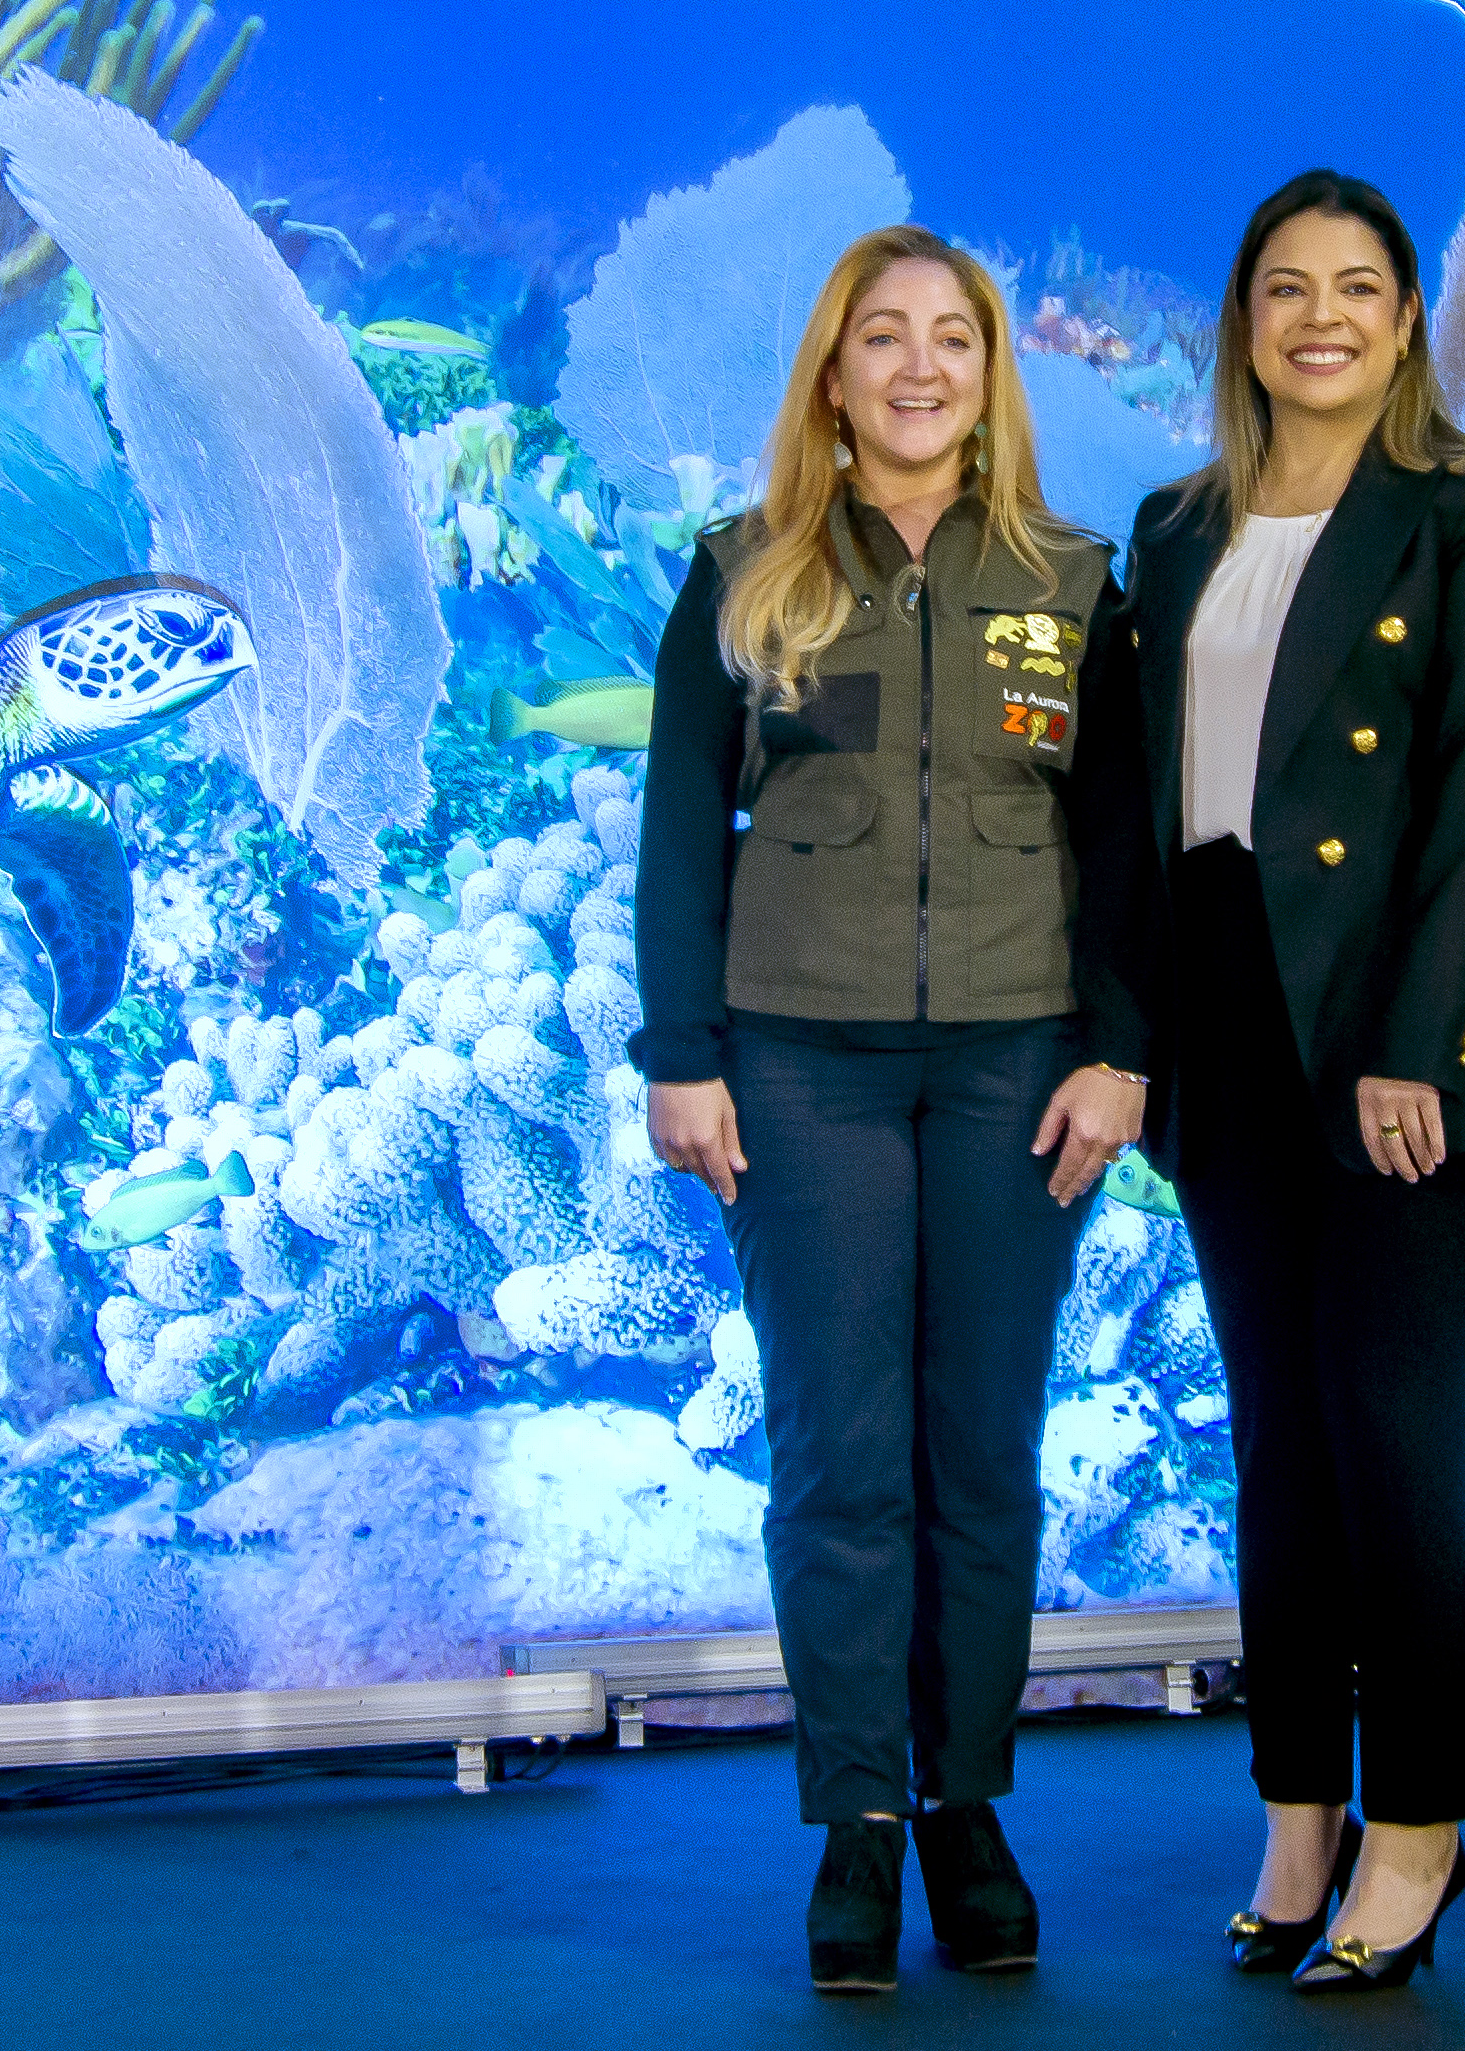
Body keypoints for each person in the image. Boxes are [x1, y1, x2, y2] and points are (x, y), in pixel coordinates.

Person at [633, 223, 1156, 1994]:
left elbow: (1124, 844)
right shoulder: (740, 574)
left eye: (953, 337)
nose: (919, 366)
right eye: (882, 336)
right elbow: (677, 825)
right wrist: (676, 1053)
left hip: (1019, 1067)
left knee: (978, 1461)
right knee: (839, 1460)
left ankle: (967, 1805)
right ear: (832, 372)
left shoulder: (1078, 581)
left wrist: (1121, 1048)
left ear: (991, 372)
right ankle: (856, 1817)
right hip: (797, 1063)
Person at [1124, 170, 1465, 1997]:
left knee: (1396, 1431)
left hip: (1414, 1025)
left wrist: (1420, 1044)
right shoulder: (1169, 529)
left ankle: (1420, 1823)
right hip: (1226, 1024)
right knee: (1278, 1439)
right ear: (1242, 318)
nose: (1322, 315)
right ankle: (1296, 1807)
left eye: (1361, 286)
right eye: (1285, 286)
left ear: (1405, 318)